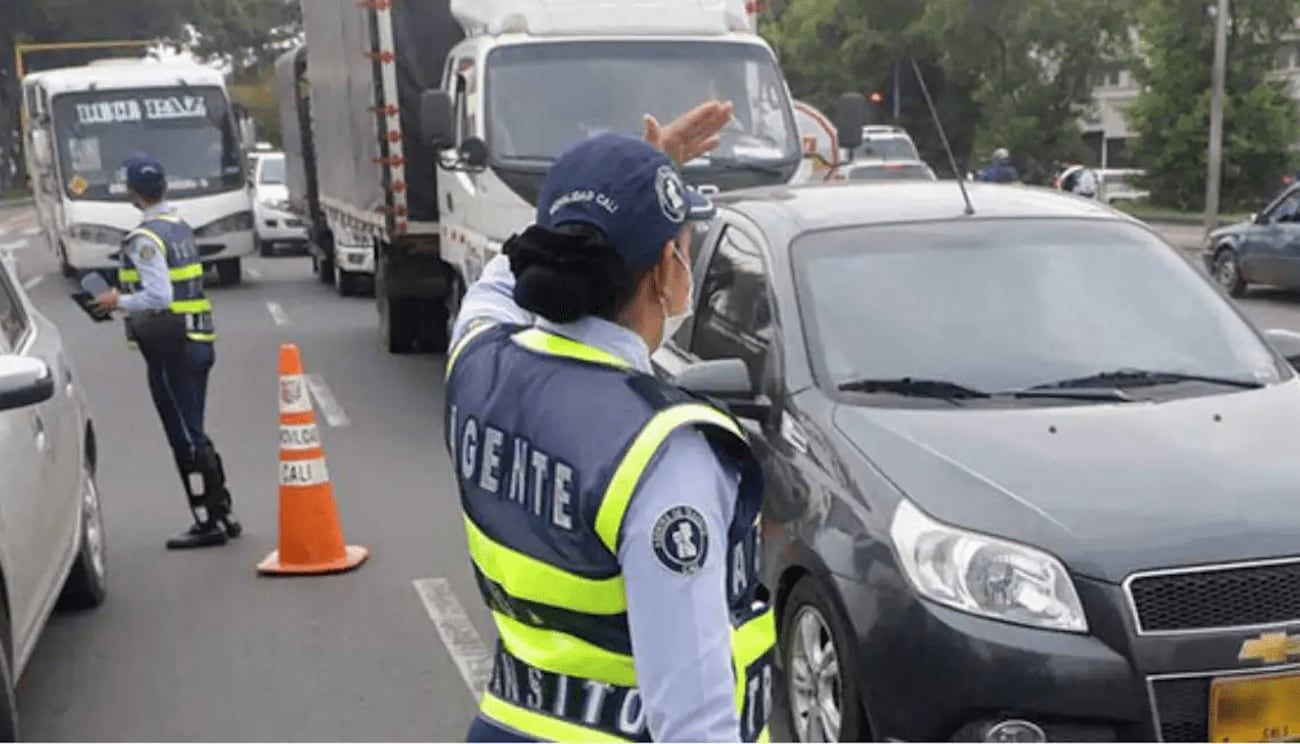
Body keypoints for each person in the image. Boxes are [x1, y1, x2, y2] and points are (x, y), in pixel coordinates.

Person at [443, 101, 776, 743]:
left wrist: (622, 182)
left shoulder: (476, 361)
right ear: (666, 274)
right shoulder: (663, 453)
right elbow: (694, 720)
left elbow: (502, 276)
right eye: (685, 244)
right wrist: (635, 182)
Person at [92, 154, 241, 549]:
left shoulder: (145, 239)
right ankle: (223, 509)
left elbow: (159, 295)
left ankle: (208, 519)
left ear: (132, 192)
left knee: (184, 436)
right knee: (194, 427)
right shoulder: (177, 227)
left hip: (170, 347)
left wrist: (116, 300)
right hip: (198, 341)